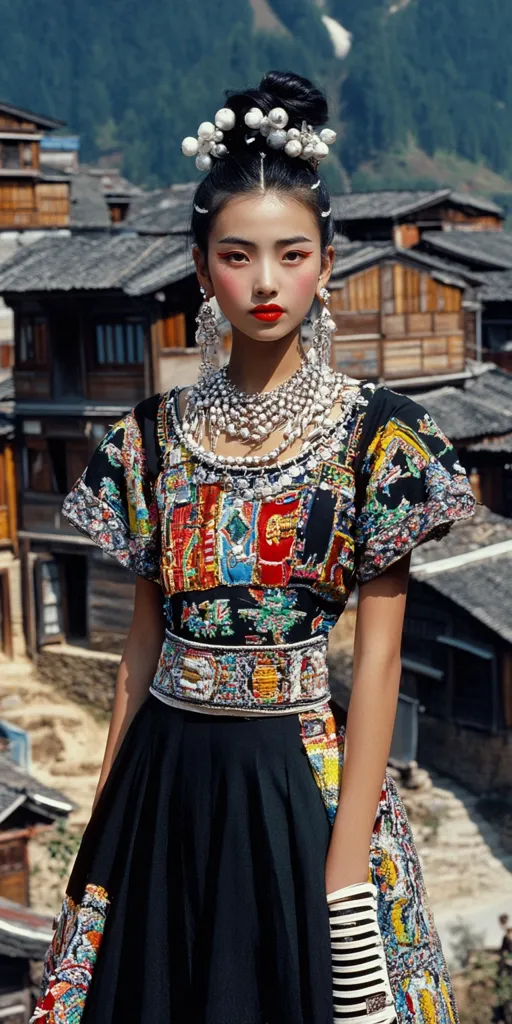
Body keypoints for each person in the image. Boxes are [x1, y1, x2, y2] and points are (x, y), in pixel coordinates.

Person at [31, 70, 476, 1024]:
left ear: (324, 265)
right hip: (164, 777)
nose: (265, 282)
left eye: (291, 254)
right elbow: (137, 652)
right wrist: (108, 814)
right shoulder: (151, 438)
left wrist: (348, 857)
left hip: (297, 778)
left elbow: (381, 660)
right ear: (201, 266)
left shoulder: (378, 441)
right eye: (238, 255)